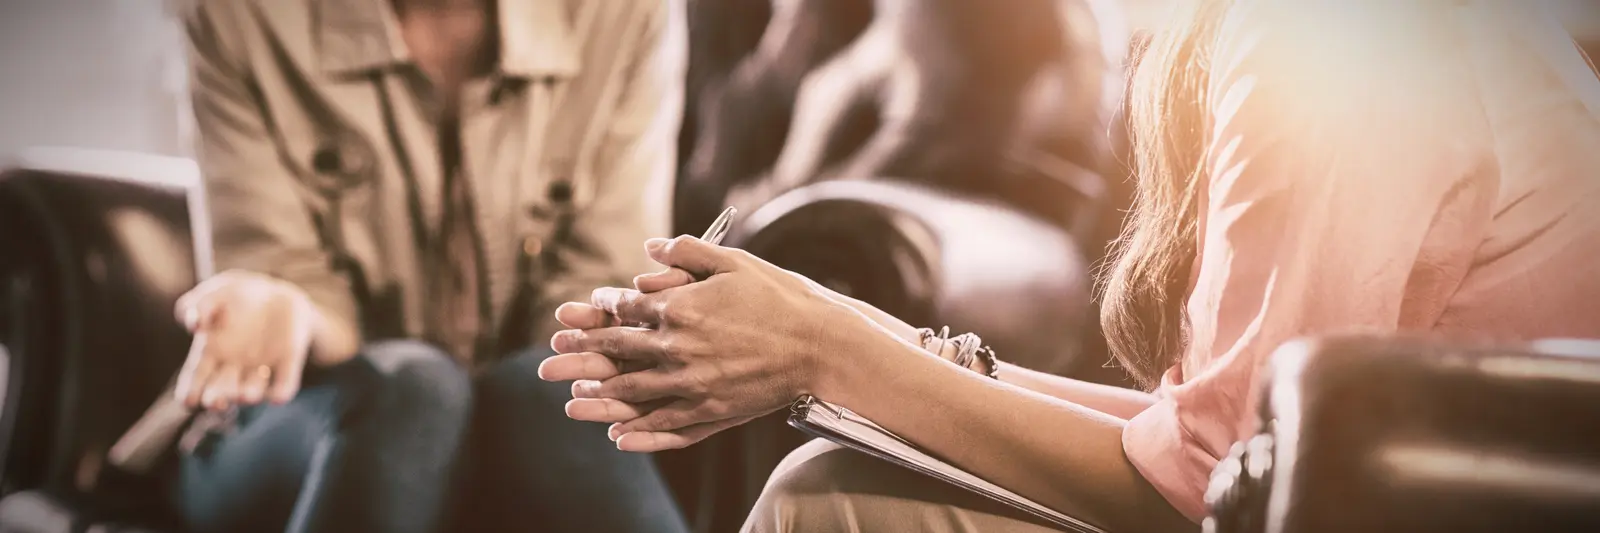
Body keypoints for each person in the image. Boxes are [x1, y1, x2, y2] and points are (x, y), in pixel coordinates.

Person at [539, 0, 1600, 531]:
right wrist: (858, 331)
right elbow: (1214, 431)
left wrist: (822, 349)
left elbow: (1214, 485)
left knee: (836, 502)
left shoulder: (1334, 50)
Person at [171, 0, 689, 532]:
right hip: (296, 414)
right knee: (417, 391)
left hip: (527, 412)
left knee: (553, 394)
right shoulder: (239, 14)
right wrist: (288, 306)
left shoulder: (626, 12)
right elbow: (280, 267)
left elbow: (598, 287)